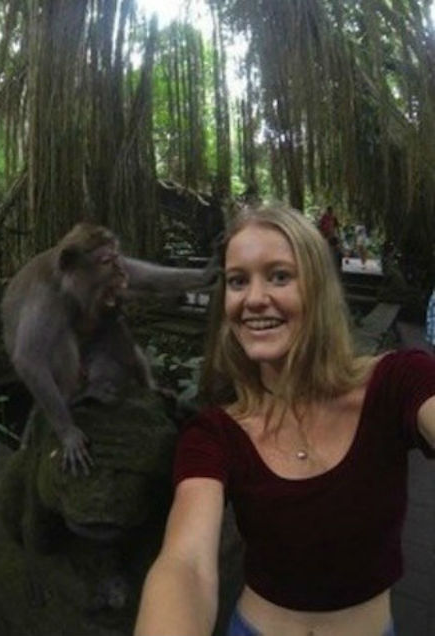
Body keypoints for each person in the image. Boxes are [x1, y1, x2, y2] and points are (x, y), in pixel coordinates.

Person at [134, 204, 435, 636]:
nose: (254, 298)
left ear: (317, 289)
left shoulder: (397, 381)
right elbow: (186, 564)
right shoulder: (215, 433)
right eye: (238, 281)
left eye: (279, 276)